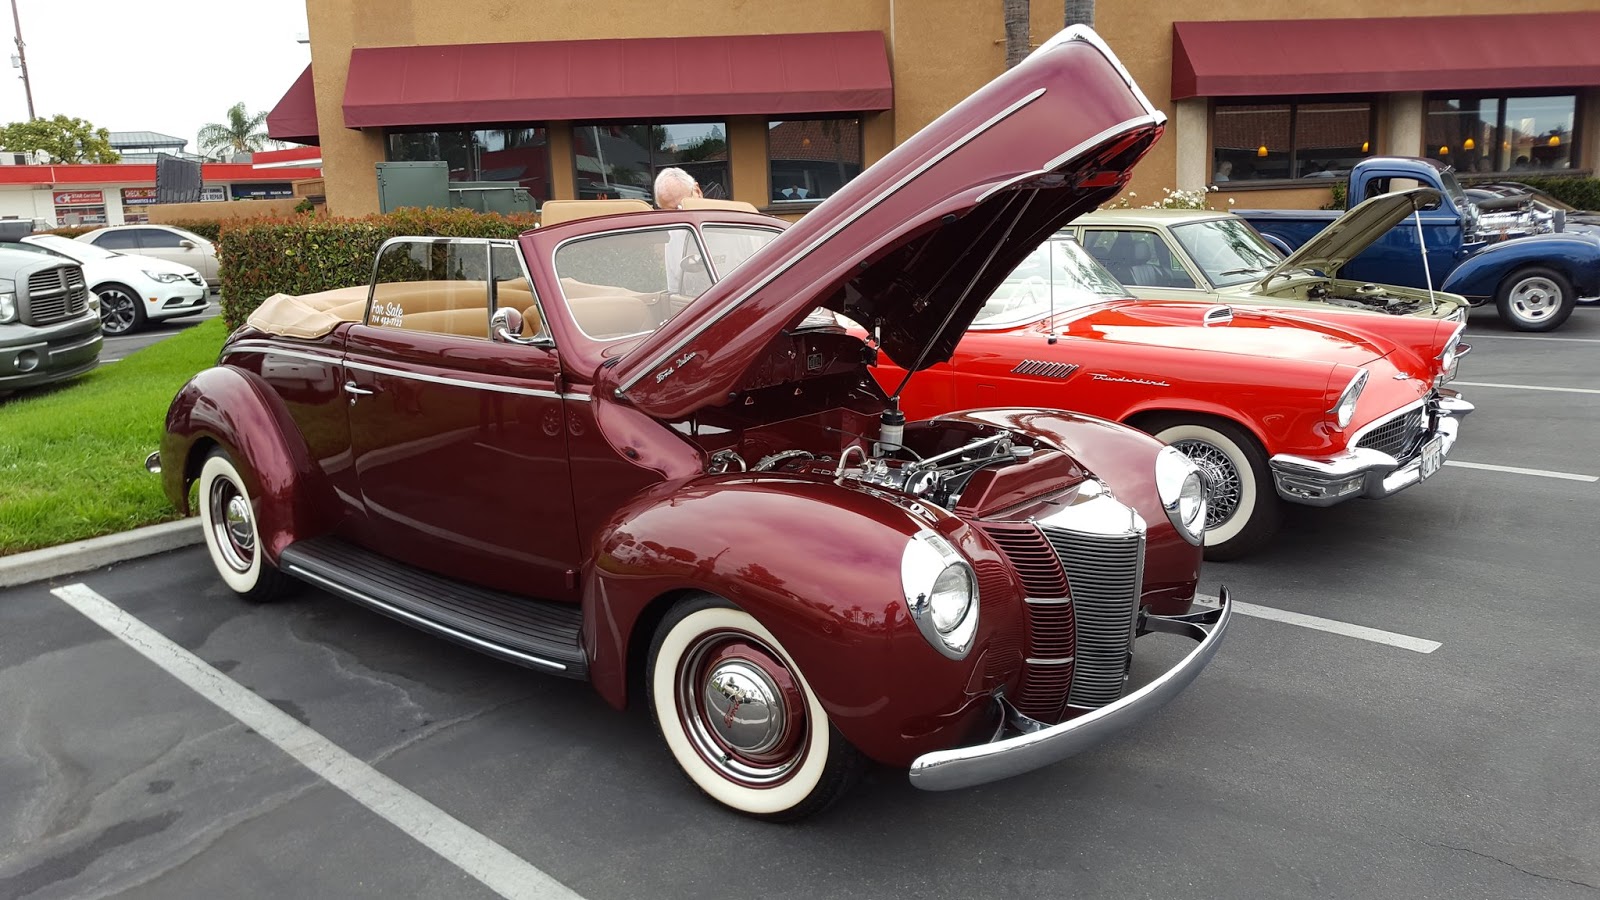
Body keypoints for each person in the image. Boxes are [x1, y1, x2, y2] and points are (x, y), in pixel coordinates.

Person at [652, 167, 703, 295]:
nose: (679, 217)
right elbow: (675, 291)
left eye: (681, 207)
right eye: (670, 213)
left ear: (697, 191)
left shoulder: (737, 226)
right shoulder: (674, 235)